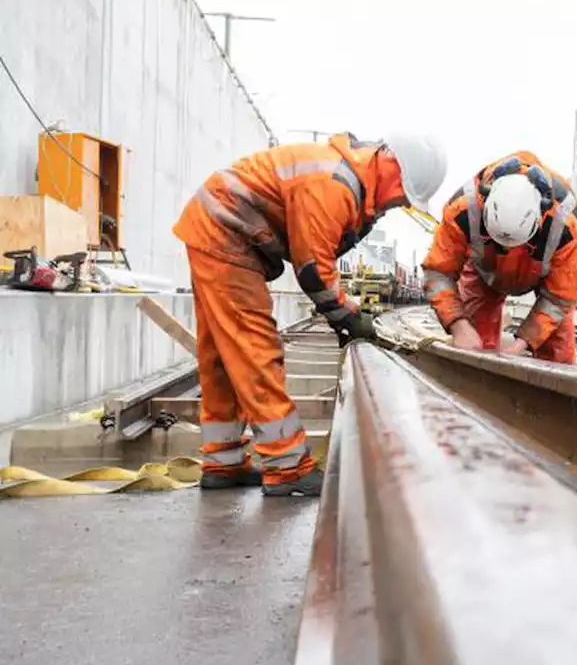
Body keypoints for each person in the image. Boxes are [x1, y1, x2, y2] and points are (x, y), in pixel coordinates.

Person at [173, 131, 447, 496]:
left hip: (215, 227)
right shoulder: (334, 184)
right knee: (255, 349)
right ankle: (287, 466)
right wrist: (349, 318)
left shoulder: (343, 177)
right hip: (226, 233)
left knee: (222, 357)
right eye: (403, 193)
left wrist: (344, 315)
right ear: (390, 164)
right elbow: (313, 269)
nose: (398, 203)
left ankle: (224, 462)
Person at [423, 151, 577, 364]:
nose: (507, 249)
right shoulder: (462, 209)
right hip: (483, 273)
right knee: (474, 346)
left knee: (558, 353)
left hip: (545, 277)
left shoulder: (567, 227)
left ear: (539, 219)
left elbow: (560, 297)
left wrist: (522, 344)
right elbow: (438, 272)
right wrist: (458, 324)